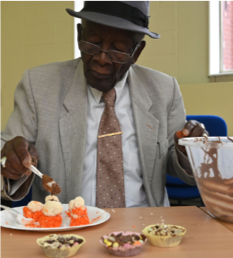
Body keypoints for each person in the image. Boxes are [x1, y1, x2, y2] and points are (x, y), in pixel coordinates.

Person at [0, 0, 207, 207]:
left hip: (147, 226)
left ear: (136, 52)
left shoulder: (164, 89)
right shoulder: (39, 86)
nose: (101, 58)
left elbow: (175, 164)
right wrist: (10, 162)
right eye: (93, 43)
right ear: (79, 35)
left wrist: (189, 151)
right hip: (66, 229)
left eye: (118, 50)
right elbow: (6, 153)